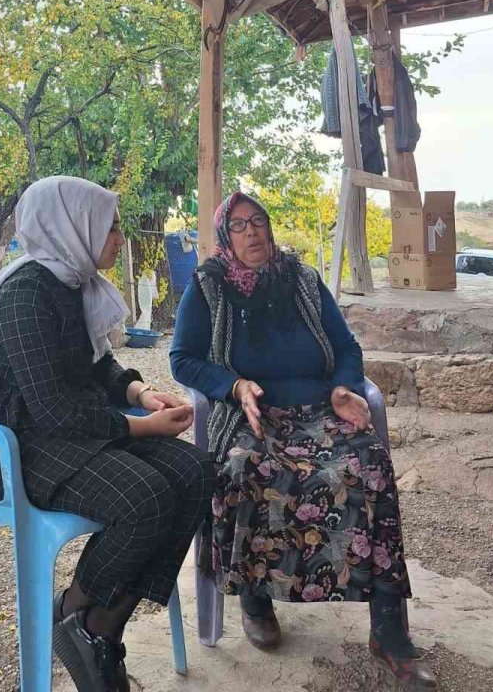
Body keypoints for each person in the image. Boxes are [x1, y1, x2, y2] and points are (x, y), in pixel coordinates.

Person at [0, 176, 215, 692]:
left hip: (64, 434)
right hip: (11, 447)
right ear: (72, 226)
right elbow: (51, 409)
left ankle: (97, 626)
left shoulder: (70, 281)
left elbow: (97, 365)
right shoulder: (25, 296)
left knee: (196, 470)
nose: (118, 237)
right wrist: (140, 429)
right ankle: (76, 612)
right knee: (147, 497)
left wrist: (140, 394)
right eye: (110, 226)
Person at [170, 191, 436, 690]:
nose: (252, 232)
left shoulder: (305, 281)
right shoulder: (207, 287)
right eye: (240, 225)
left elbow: (345, 347)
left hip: (319, 408)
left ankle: (388, 630)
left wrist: (342, 387)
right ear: (226, 236)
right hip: (254, 415)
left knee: (368, 463)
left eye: (259, 222)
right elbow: (182, 359)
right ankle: (255, 597)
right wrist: (232, 384)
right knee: (243, 468)